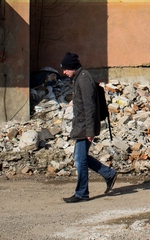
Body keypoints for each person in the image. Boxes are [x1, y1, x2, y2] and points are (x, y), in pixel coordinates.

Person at [60, 52, 117, 202]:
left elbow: (90, 107)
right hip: (81, 125)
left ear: (72, 67)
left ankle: (82, 193)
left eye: (65, 69)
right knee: (80, 157)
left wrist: (90, 131)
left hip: (85, 127)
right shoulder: (79, 77)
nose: (64, 72)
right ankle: (108, 174)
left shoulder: (84, 79)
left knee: (80, 160)